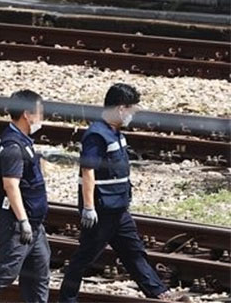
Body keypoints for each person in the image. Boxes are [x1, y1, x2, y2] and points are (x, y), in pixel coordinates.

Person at [57, 83, 186, 302]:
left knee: (133, 251)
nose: (132, 116)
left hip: (118, 208)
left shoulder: (115, 133)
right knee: (85, 256)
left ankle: (158, 292)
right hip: (102, 210)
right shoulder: (96, 135)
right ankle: (67, 298)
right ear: (120, 109)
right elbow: (87, 172)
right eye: (131, 111)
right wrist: (88, 208)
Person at [0, 89, 51, 302]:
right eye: (40, 112)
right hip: (17, 225)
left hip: (34, 224)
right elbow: (10, 185)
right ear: (27, 114)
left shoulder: (23, 140)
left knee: (39, 276)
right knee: (6, 273)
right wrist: (23, 221)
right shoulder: (12, 146)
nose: (42, 117)